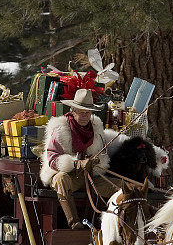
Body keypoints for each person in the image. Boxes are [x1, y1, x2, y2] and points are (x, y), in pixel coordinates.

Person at [40, 88, 120, 229]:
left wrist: (95, 162)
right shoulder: (60, 129)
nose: (84, 116)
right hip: (69, 178)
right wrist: (75, 163)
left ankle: (117, 226)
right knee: (60, 178)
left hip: (89, 178)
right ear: (72, 111)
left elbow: (103, 155)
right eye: (80, 112)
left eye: (87, 112)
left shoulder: (96, 129)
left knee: (123, 188)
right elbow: (52, 160)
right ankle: (74, 222)